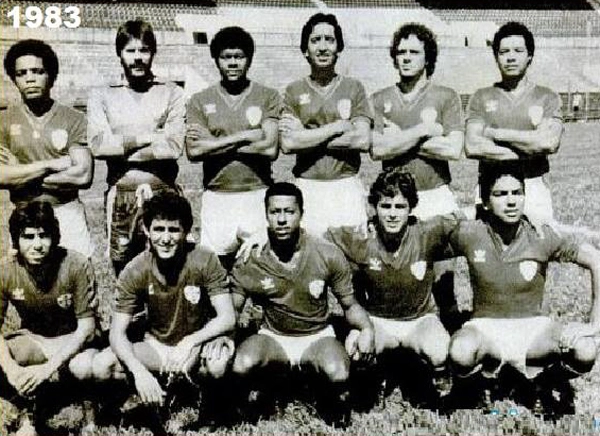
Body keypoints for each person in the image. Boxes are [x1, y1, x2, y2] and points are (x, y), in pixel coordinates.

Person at [446, 164, 599, 413]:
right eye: (500, 194)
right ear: (484, 202)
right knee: (460, 351)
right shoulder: (470, 233)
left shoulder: (540, 234)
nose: (511, 202)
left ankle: (544, 382)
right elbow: (425, 239)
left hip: (533, 331)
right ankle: (478, 386)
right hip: (486, 329)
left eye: (517, 193)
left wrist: (594, 323)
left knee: (585, 349)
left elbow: (595, 258)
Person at [231, 182, 375, 425]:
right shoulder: (251, 257)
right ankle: (256, 394)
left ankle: (322, 392)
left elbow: (349, 306)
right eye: (275, 212)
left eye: (289, 211)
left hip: (316, 335)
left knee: (338, 373)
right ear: (266, 215)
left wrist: (367, 329)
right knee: (242, 364)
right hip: (274, 336)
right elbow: (233, 310)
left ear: (301, 214)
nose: (282, 219)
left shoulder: (326, 253)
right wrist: (220, 339)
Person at [325, 169, 463, 407]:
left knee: (440, 350)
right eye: (385, 206)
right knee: (355, 349)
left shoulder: (427, 232)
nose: (391, 214)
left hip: (420, 319)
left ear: (411, 208)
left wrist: (530, 215)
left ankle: (437, 377)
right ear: (374, 207)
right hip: (378, 320)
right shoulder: (361, 237)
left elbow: (471, 219)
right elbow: (313, 236)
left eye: (400, 206)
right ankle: (373, 381)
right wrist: (263, 236)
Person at [92, 193, 235, 413]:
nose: (166, 238)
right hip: (157, 345)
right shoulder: (135, 269)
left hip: (197, 345)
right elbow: (116, 333)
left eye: (173, 230)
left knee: (217, 363)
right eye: (159, 229)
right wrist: (139, 372)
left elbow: (227, 317)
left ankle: (211, 406)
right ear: (146, 230)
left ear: (186, 232)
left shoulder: (204, 259)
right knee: (102, 365)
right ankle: (125, 403)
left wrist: (191, 341)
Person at [87, 19, 185, 275]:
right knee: (125, 270)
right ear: (119, 53)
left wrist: (121, 145)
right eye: (131, 51)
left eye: (144, 50)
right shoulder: (102, 94)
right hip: (122, 193)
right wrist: (150, 136)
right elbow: (98, 146)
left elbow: (174, 147)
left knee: (168, 270)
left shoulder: (171, 92)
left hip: (163, 190)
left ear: (153, 53)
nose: (138, 57)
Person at [0, 201, 98, 436]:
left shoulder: (76, 264)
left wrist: (47, 369)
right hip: (36, 338)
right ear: (16, 240)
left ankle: (90, 407)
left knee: (85, 367)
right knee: (9, 356)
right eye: (28, 237)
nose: (37, 245)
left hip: (74, 339)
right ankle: (24, 410)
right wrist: (12, 370)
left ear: (55, 237)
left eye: (44, 236)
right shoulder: (6, 270)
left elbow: (87, 328)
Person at [186, 26, 280, 270]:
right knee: (216, 268)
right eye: (226, 57)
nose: (233, 63)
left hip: (257, 192)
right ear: (217, 60)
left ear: (248, 59)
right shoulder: (200, 100)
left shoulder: (267, 96)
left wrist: (214, 142)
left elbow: (270, 148)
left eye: (239, 57)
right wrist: (248, 136)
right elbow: (194, 151)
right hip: (217, 195)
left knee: (261, 265)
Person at [280, 13, 373, 237]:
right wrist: (338, 127)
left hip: (346, 185)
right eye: (315, 40)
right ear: (305, 49)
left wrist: (306, 135)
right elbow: (288, 143)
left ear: (338, 48)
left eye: (329, 40)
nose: (322, 47)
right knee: (311, 257)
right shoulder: (293, 90)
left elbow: (362, 139)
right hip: (308, 186)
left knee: (351, 258)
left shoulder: (354, 88)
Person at [1, 39, 94, 258]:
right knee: (26, 287)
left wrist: (21, 173)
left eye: (37, 71)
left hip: (67, 212)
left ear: (51, 75)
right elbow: (1, 176)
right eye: (22, 73)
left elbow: (83, 175)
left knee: (77, 278)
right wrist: (52, 165)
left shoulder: (74, 118)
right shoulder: (3, 120)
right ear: (14, 79)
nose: (30, 78)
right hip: (24, 213)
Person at [465, 22, 563, 224]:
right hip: (491, 185)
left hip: (532, 185)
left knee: (539, 250)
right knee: (491, 250)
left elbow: (548, 143)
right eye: (504, 51)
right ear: (496, 57)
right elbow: (472, 146)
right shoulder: (481, 97)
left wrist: (494, 134)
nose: (510, 57)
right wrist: (529, 148)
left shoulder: (546, 97)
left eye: (518, 50)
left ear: (529, 56)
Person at [370, 23, 463, 220]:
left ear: (428, 57)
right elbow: (377, 150)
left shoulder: (446, 96)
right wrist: (423, 130)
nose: (406, 57)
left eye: (414, 52)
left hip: (435, 193)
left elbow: (453, 150)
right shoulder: (379, 98)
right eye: (401, 52)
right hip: (395, 198)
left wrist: (397, 138)